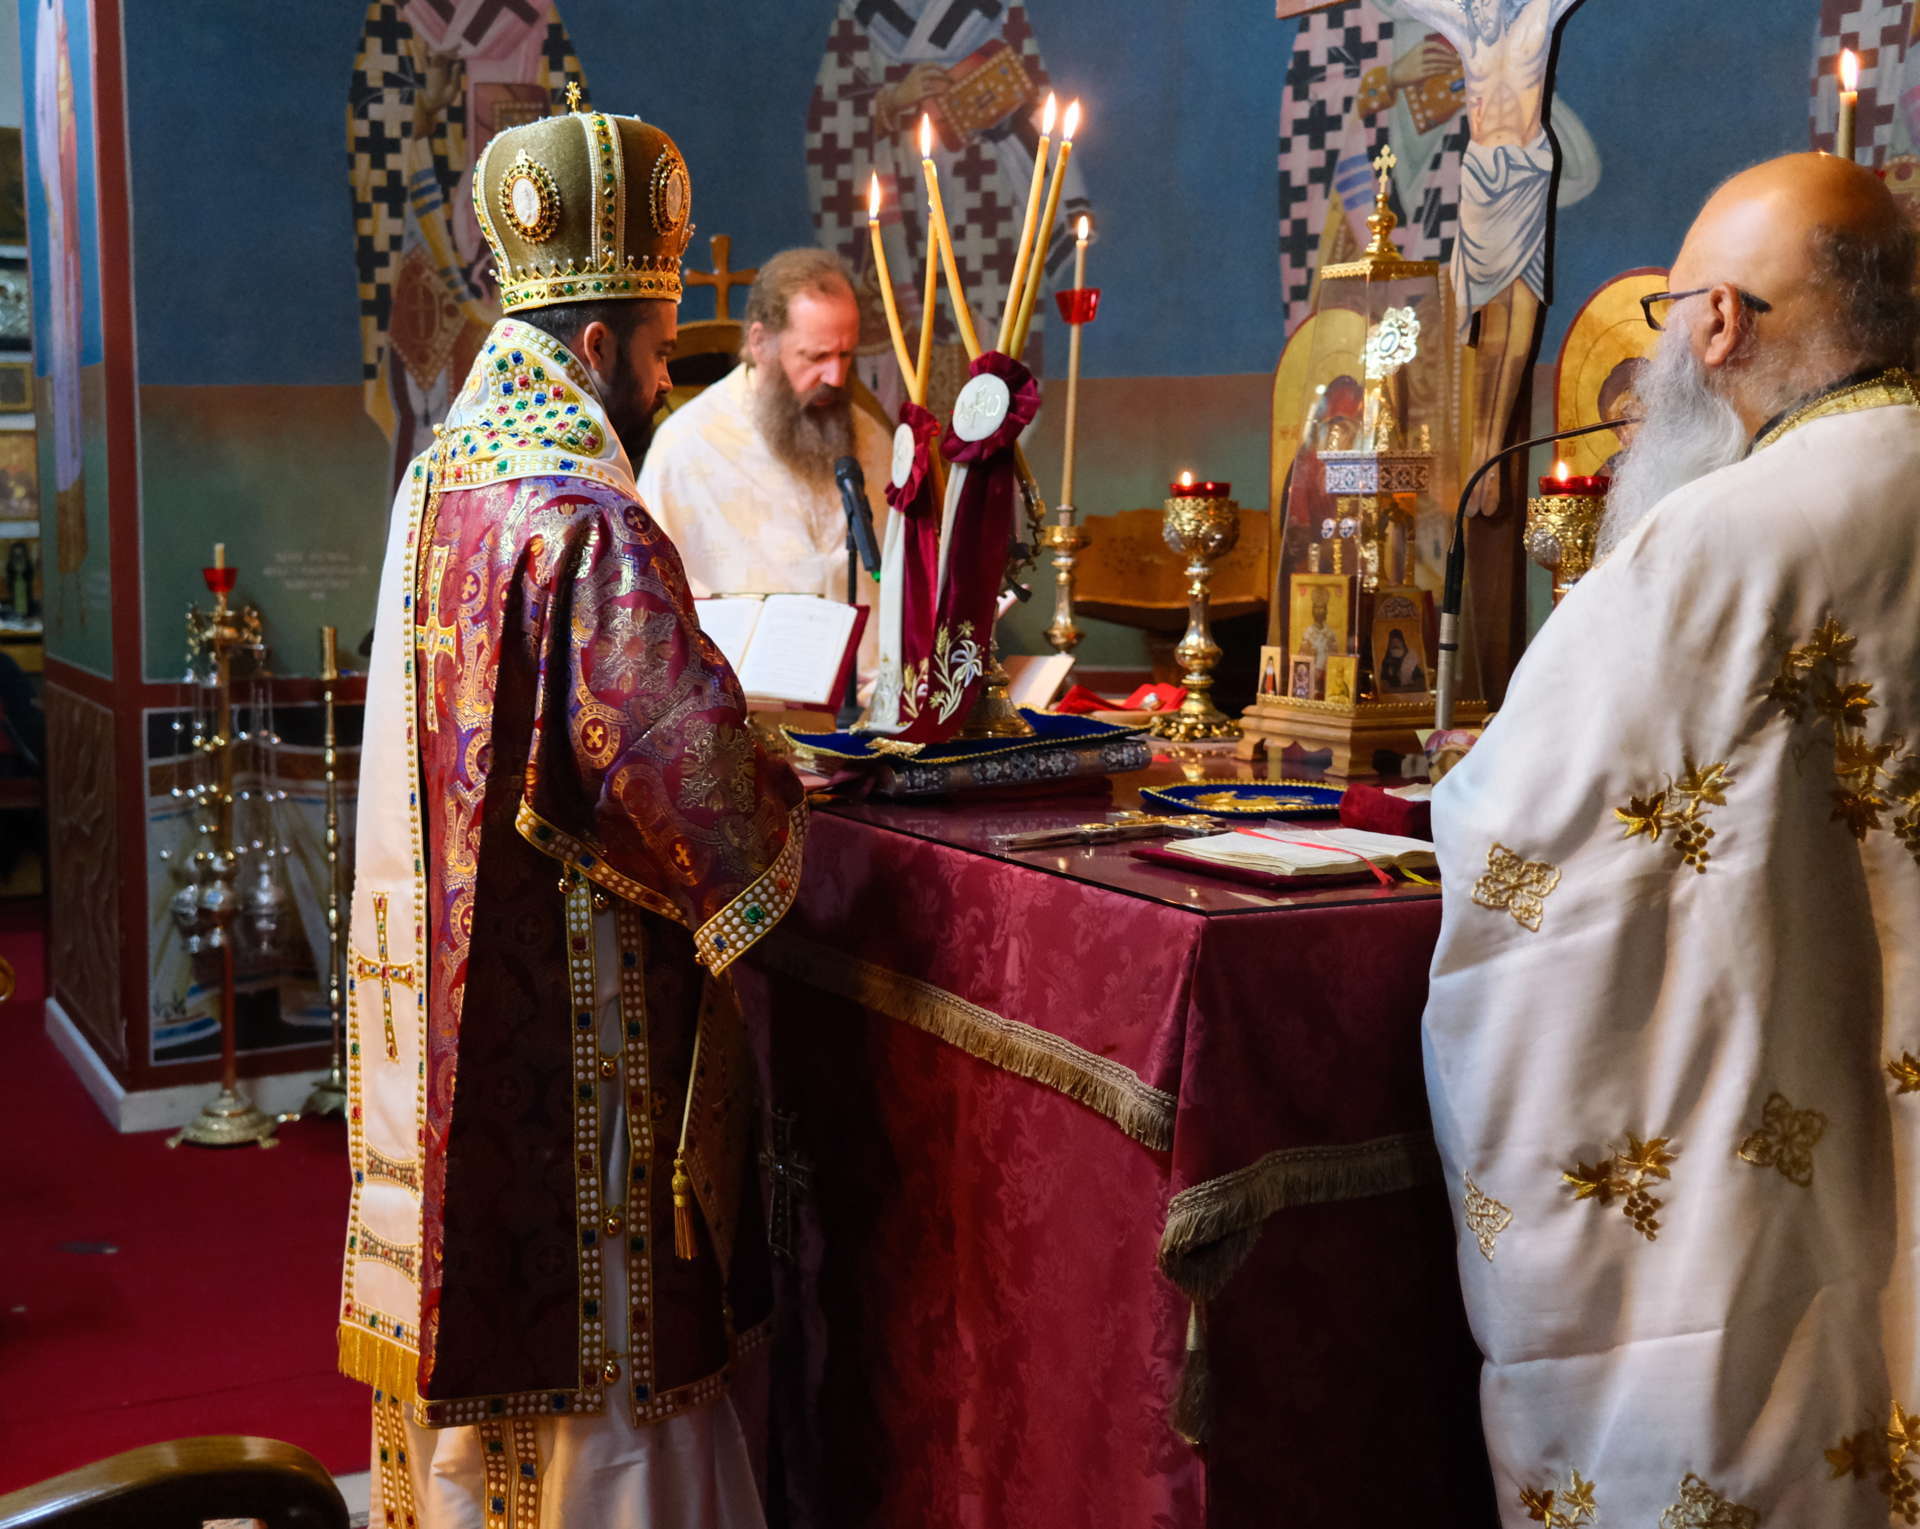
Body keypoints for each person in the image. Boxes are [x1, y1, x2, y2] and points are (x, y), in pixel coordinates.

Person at [1423, 151, 1920, 1524]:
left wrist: (1461, 794)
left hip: (1788, 1156)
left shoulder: (1716, 539)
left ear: (1719, 325)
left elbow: (1529, 847)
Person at [340, 94, 806, 1529]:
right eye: (660, 351)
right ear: (597, 347)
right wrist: (785, 769)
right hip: (572, 1012)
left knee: (484, 1300)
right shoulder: (583, 518)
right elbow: (696, 786)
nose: (666, 378)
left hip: (458, 1008)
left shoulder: (439, 483)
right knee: (599, 1330)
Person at [637, 249, 892, 674]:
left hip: (864, 696)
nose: (836, 377)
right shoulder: (686, 448)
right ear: (760, 343)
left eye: (846, 355)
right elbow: (652, 607)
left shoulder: (872, 441)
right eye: (816, 357)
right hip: (744, 703)